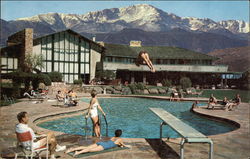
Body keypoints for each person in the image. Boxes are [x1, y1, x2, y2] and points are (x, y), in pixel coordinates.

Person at [65, 129, 130, 157]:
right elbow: (124, 145)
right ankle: (78, 152)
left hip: (102, 143)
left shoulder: (113, 137)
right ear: (120, 134)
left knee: (86, 147)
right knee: (90, 150)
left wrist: (120, 145)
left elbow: (117, 144)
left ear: (115, 133)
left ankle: (71, 149)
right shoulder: (120, 139)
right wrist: (128, 146)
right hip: (103, 147)